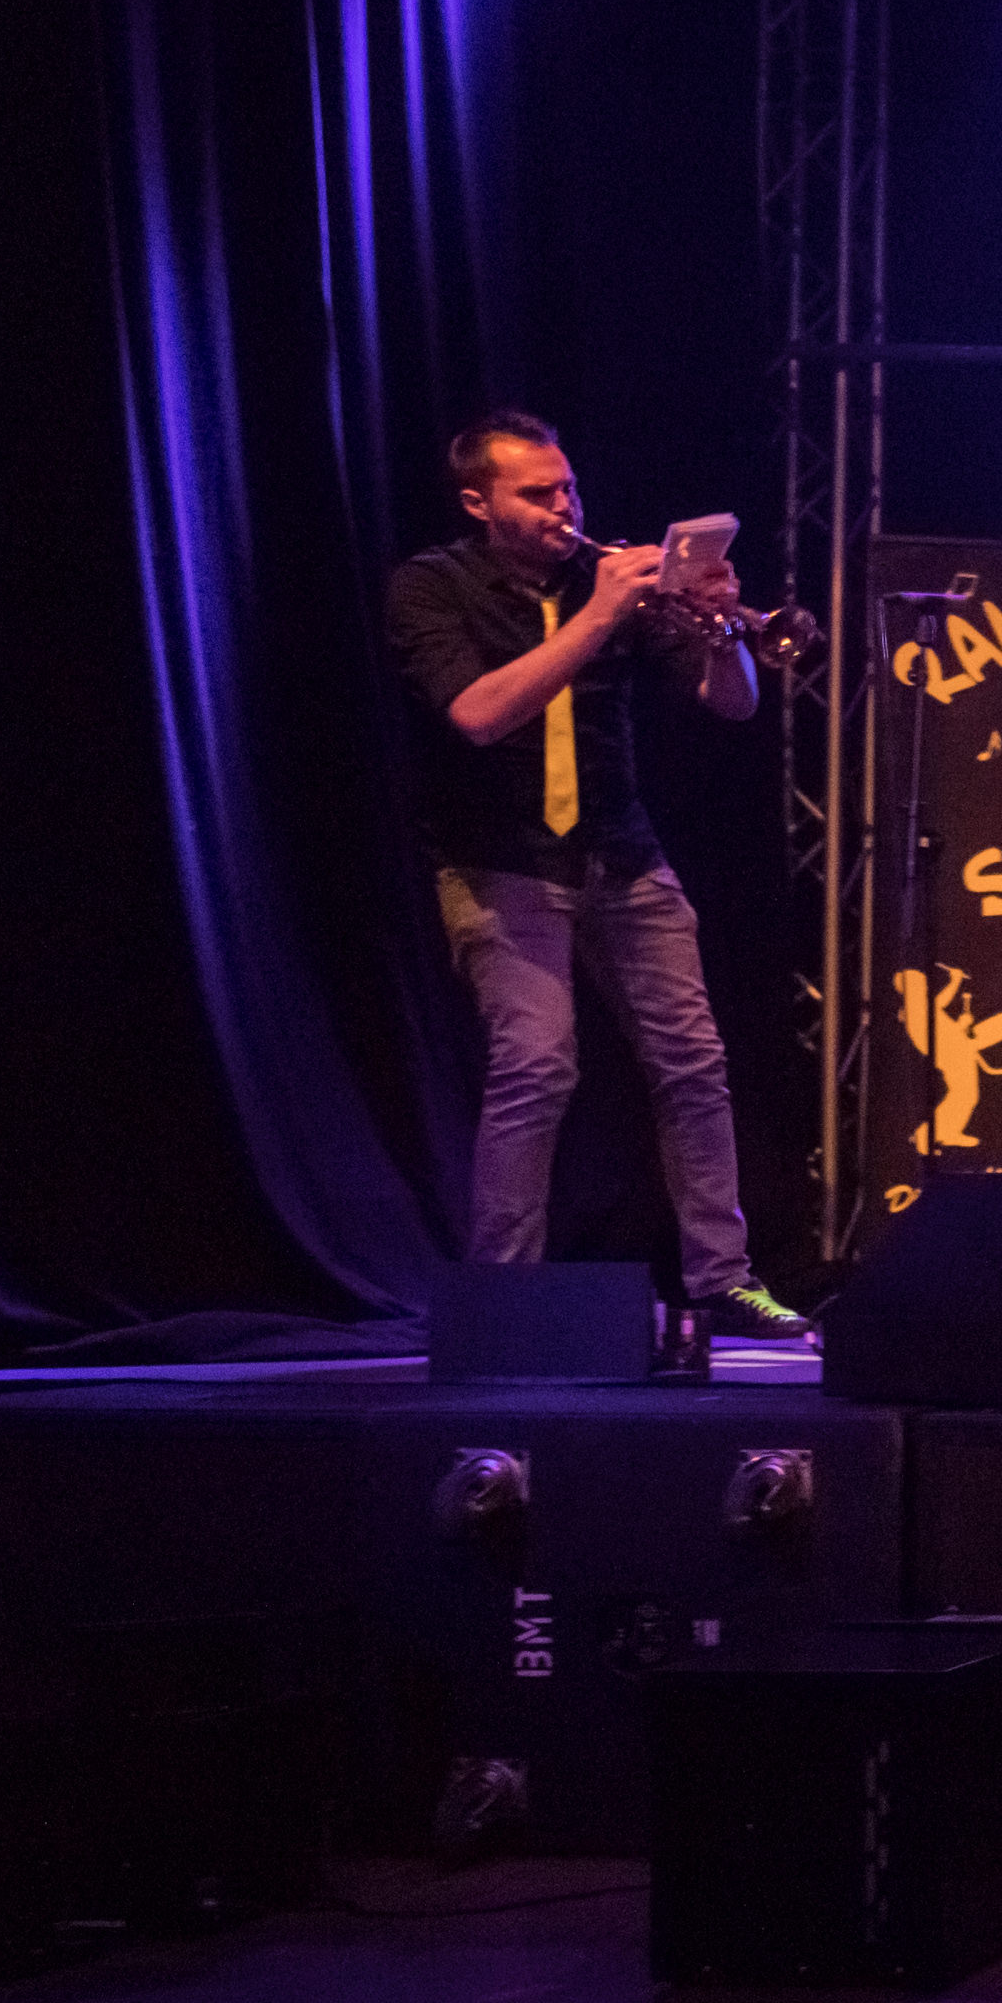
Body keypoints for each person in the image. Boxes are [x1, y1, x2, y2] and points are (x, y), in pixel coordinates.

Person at [382, 410, 812, 1340]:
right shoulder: (431, 586)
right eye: (537, 494)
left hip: (622, 851)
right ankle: (501, 1298)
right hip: (499, 858)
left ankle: (725, 1280)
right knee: (537, 1064)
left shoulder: (601, 580)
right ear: (478, 502)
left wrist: (724, 629)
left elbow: (734, 705)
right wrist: (600, 616)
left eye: (568, 488)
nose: (563, 508)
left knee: (694, 1063)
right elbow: (478, 714)